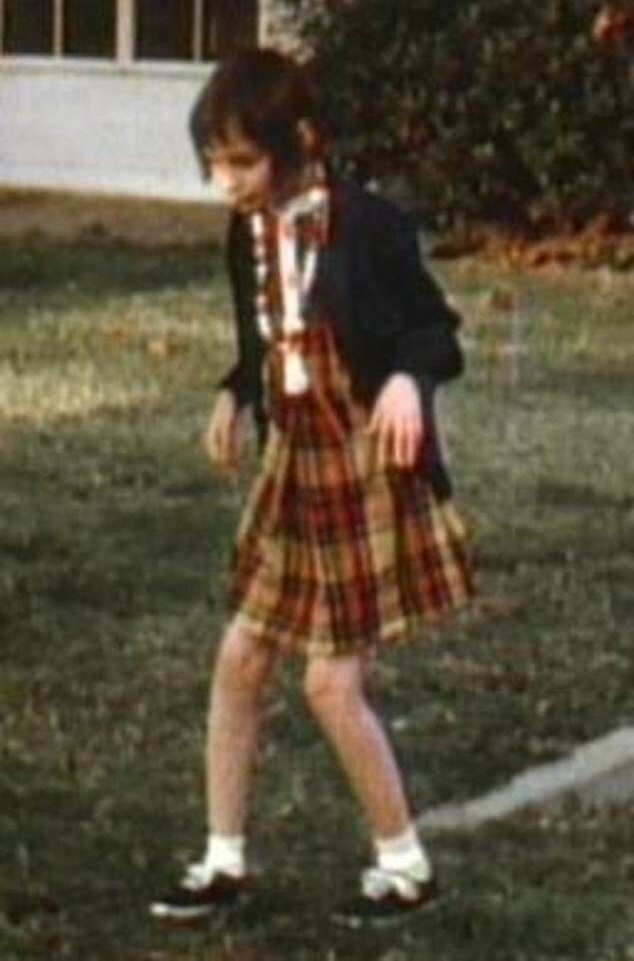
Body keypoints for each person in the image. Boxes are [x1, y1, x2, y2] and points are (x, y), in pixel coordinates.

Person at [150, 47, 472, 926]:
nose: (225, 182)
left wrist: (407, 382)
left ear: (300, 142)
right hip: (292, 464)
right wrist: (236, 391)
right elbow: (267, 337)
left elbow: (434, 333)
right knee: (242, 656)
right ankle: (223, 861)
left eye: (243, 162)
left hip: (365, 465)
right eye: (214, 163)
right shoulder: (247, 230)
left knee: (329, 684)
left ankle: (405, 866)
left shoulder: (367, 225)